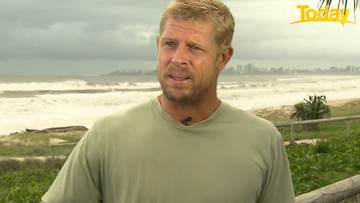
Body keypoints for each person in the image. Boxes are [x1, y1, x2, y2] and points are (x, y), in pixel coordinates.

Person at [41, 0, 296, 202]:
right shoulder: (106, 136)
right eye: (170, 44)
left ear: (223, 58)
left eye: (194, 47)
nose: (177, 58)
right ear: (157, 46)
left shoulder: (263, 140)